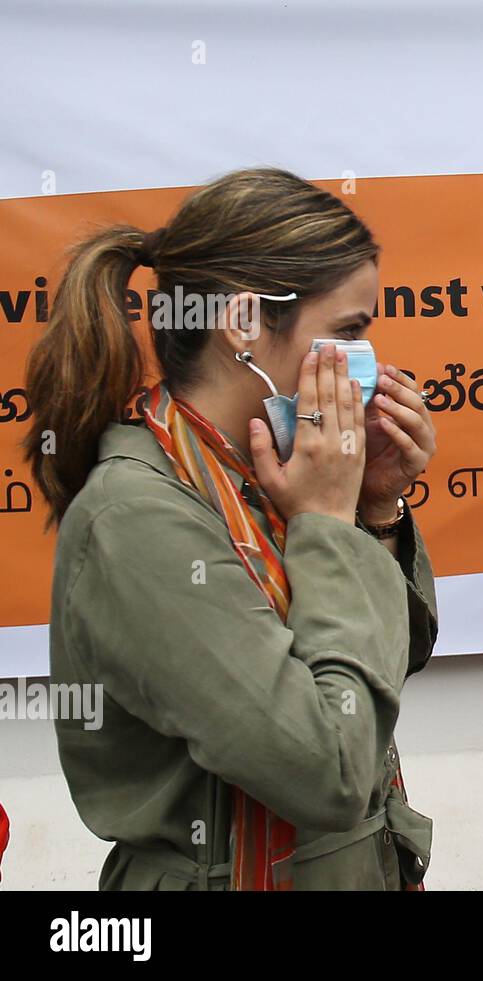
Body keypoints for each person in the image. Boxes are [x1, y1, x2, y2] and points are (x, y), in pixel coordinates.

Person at [24, 167, 440, 890]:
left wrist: (376, 508)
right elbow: (329, 770)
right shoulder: (138, 518)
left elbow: (375, 679)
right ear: (244, 325)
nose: (365, 360)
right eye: (346, 331)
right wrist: (330, 523)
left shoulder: (271, 468)